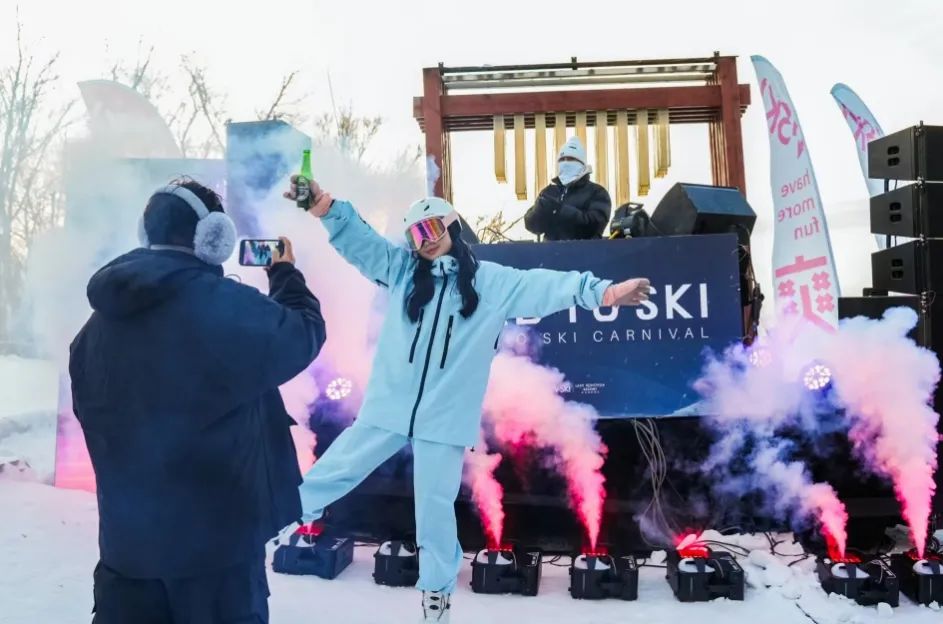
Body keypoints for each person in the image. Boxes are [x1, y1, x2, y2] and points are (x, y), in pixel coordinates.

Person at [281, 177, 650, 623]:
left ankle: (436, 594)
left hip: (444, 419)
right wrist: (323, 204)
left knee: (434, 511)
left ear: (452, 227)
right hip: (388, 408)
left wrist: (605, 293)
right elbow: (361, 242)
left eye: (432, 229)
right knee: (333, 472)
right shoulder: (401, 272)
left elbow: (547, 286)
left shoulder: (491, 283)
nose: (425, 241)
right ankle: (269, 520)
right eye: (415, 235)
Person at [69, 178, 327, 624]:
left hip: (125, 554)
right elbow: (303, 333)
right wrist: (284, 272)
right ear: (213, 238)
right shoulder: (221, 305)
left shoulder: (92, 330)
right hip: (215, 561)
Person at [524, 136, 612, 240]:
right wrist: (539, 210)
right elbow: (532, 225)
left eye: (571, 159)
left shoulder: (597, 192)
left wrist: (561, 209)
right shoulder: (549, 192)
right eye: (562, 159)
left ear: (582, 163)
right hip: (551, 249)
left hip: (585, 249)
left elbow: (595, 224)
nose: (566, 162)